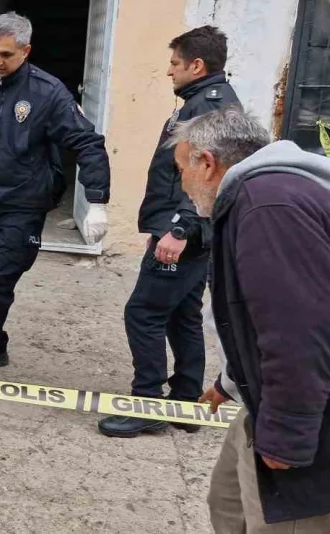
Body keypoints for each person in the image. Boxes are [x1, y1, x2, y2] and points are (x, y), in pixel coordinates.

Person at [168, 108, 330, 532]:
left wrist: (289, 437)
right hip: (267, 400)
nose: (181, 186)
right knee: (228, 505)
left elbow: (299, 332)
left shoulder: (268, 207)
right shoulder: (258, 198)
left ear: (206, 163)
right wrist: (229, 383)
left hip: (311, 417)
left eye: (180, 171)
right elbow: (256, 315)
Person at [0, 11, 110, 382]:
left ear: (26, 51)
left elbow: (88, 143)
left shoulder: (47, 93)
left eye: (6, 55)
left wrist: (96, 201)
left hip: (23, 205)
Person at [99, 26, 241, 438]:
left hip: (187, 229)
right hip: (191, 229)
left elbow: (203, 175)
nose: (169, 72)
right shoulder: (205, 101)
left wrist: (177, 230)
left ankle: (147, 404)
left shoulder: (208, 108)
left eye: (175, 64)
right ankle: (184, 404)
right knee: (183, 313)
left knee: (142, 313)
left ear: (197, 65)